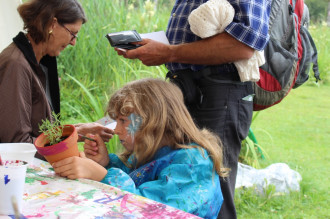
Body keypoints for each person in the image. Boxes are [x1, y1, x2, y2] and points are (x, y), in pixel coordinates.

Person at [114, 0, 271, 218]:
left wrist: (169, 53)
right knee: (171, 169)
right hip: (186, 89)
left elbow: (244, 43)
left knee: (214, 186)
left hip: (218, 92)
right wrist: (160, 49)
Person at [52, 78, 229, 218]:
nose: (116, 130)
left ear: (154, 122)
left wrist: (102, 175)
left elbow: (150, 210)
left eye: (123, 121)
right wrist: (105, 163)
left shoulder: (193, 165)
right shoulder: (151, 150)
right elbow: (134, 177)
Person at [0, 0, 114, 149]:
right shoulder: (16, 65)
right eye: (73, 34)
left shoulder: (40, 61)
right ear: (52, 24)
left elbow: (40, 133)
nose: (73, 42)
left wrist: (78, 130)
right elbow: (17, 144)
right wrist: (75, 134)